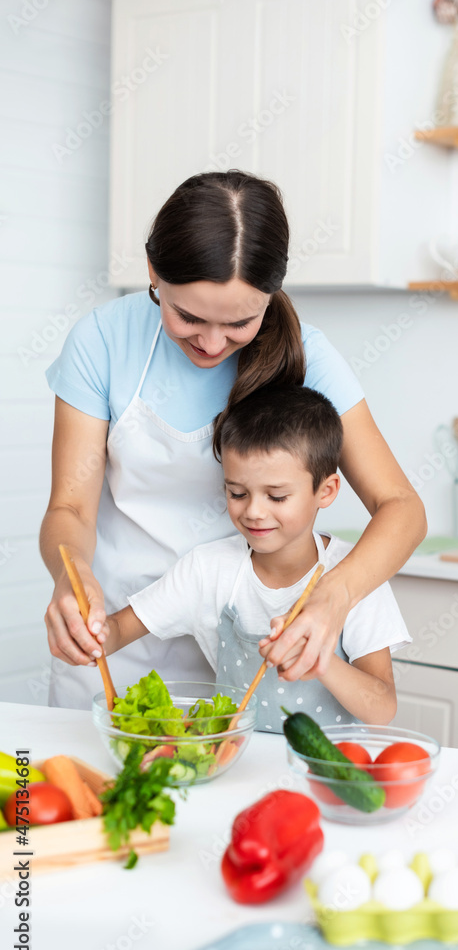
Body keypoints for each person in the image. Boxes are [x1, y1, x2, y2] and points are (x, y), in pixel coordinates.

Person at [41, 170, 426, 709]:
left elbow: (402, 507)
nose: (212, 343)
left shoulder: (309, 357)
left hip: (240, 650)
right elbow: (69, 509)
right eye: (188, 317)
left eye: (241, 322)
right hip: (114, 632)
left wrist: (333, 597)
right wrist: (70, 574)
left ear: (272, 295)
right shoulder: (103, 340)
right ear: (153, 271)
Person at [76, 386, 409, 730]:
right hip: (236, 766)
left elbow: (382, 707)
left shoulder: (357, 573)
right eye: (237, 492)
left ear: (325, 492)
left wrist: (320, 660)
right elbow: (118, 631)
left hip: (327, 773)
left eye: (277, 497)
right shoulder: (208, 570)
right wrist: (89, 629)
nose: (253, 511)